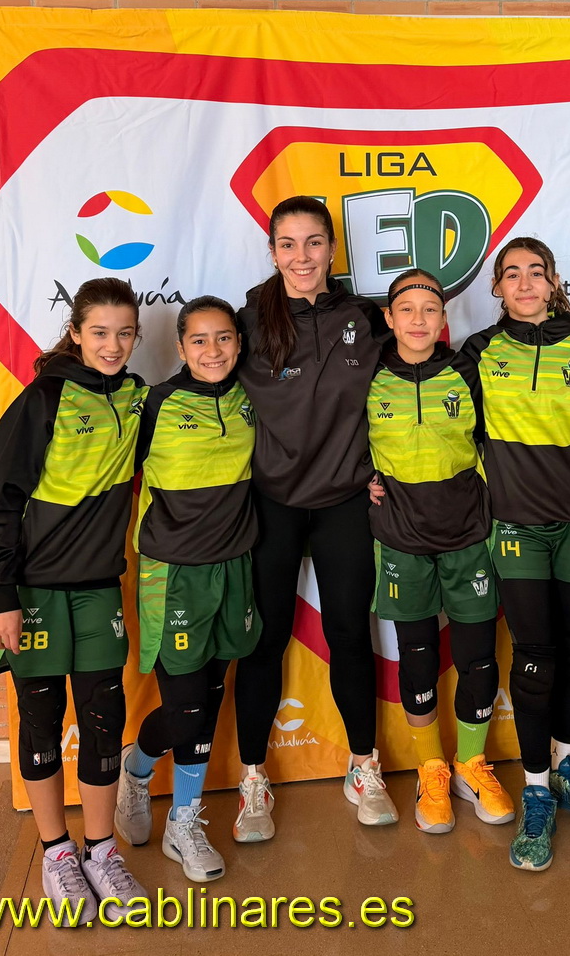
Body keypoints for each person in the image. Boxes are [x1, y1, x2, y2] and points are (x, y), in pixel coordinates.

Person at [0, 277, 147, 921]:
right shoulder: (43, 398)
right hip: (34, 590)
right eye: (99, 332)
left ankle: (100, 850)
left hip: (99, 586)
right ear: (76, 333)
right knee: (42, 722)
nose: (112, 345)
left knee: (104, 721)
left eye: (125, 333)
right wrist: (2, 596)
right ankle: (56, 853)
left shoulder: (136, 397)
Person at [461, 237, 570, 872]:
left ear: (554, 281)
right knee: (534, 656)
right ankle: (536, 790)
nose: (526, 283)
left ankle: (568, 768)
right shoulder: (478, 353)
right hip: (515, 529)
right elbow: (442, 426)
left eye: (537, 272)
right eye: (512, 274)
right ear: (497, 288)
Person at [232, 195, 398, 841]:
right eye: (288, 244)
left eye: (313, 242)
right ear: (273, 251)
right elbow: (209, 390)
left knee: (350, 634)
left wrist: (389, 468)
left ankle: (364, 768)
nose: (301, 256)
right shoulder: (249, 319)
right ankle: (253, 779)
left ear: (332, 248)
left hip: (345, 500)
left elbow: (402, 390)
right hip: (272, 502)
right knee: (265, 640)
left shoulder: (365, 317)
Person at [115, 295, 261, 882]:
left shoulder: (251, 397)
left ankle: (183, 820)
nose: (212, 350)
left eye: (223, 337)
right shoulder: (156, 403)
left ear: (239, 343)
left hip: (235, 567)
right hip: (174, 574)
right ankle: (136, 769)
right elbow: (109, 473)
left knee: (212, 696)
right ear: (180, 347)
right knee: (185, 710)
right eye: (198, 340)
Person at [367, 268, 515, 835]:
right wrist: (361, 479)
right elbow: (336, 438)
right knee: (418, 657)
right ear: (389, 318)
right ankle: (430, 769)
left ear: (444, 318)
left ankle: (471, 765)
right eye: (406, 309)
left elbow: (498, 439)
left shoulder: (467, 371)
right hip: (401, 541)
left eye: (430, 309)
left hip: (468, 536)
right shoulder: (368, 376)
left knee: (478, 656)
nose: (418, 320)